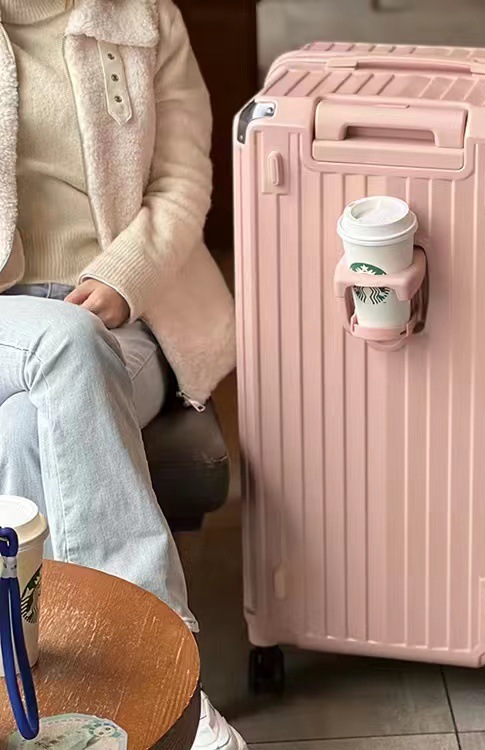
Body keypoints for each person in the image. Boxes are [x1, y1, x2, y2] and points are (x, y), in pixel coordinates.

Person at [0, 0, 244, 747]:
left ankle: (43, 709)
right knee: (64, 345)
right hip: (12, 321)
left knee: (27, 428)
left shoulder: (142, 15)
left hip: (123, 322)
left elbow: (183, 180)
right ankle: (163, 684)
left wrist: (125, 274)